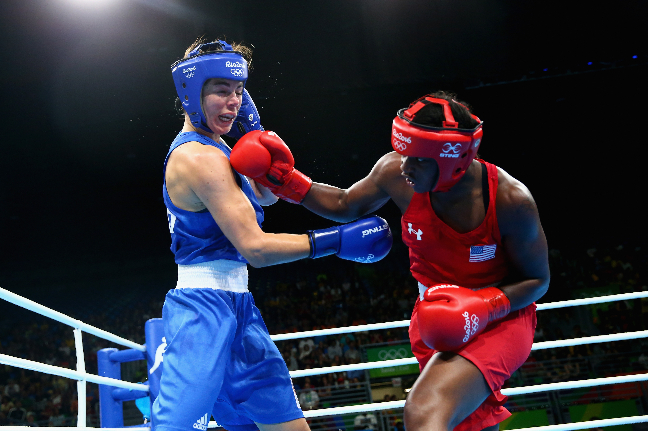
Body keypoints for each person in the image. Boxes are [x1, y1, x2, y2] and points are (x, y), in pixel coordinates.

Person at [231, 91, 550, 431]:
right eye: (403, 153)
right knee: (469, 425)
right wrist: (287, 180)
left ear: (452, 159)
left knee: (426, 411)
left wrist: (485, 305)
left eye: (417, 160)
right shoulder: (396, 173)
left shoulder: (509, 200)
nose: (405, 166)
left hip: (500, 319)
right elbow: (345, 204)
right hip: (436, 317)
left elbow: (537, 280)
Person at [152, 38, 393, 431]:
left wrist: (257, 136)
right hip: (202, 314)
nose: (233, 102)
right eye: (220, 91)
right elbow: (255, 247)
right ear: (190, 93)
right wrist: (334, 241)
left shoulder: (223, 149)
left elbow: (266, 195)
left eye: (239, 91)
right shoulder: (199, 157)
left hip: (239, 309)